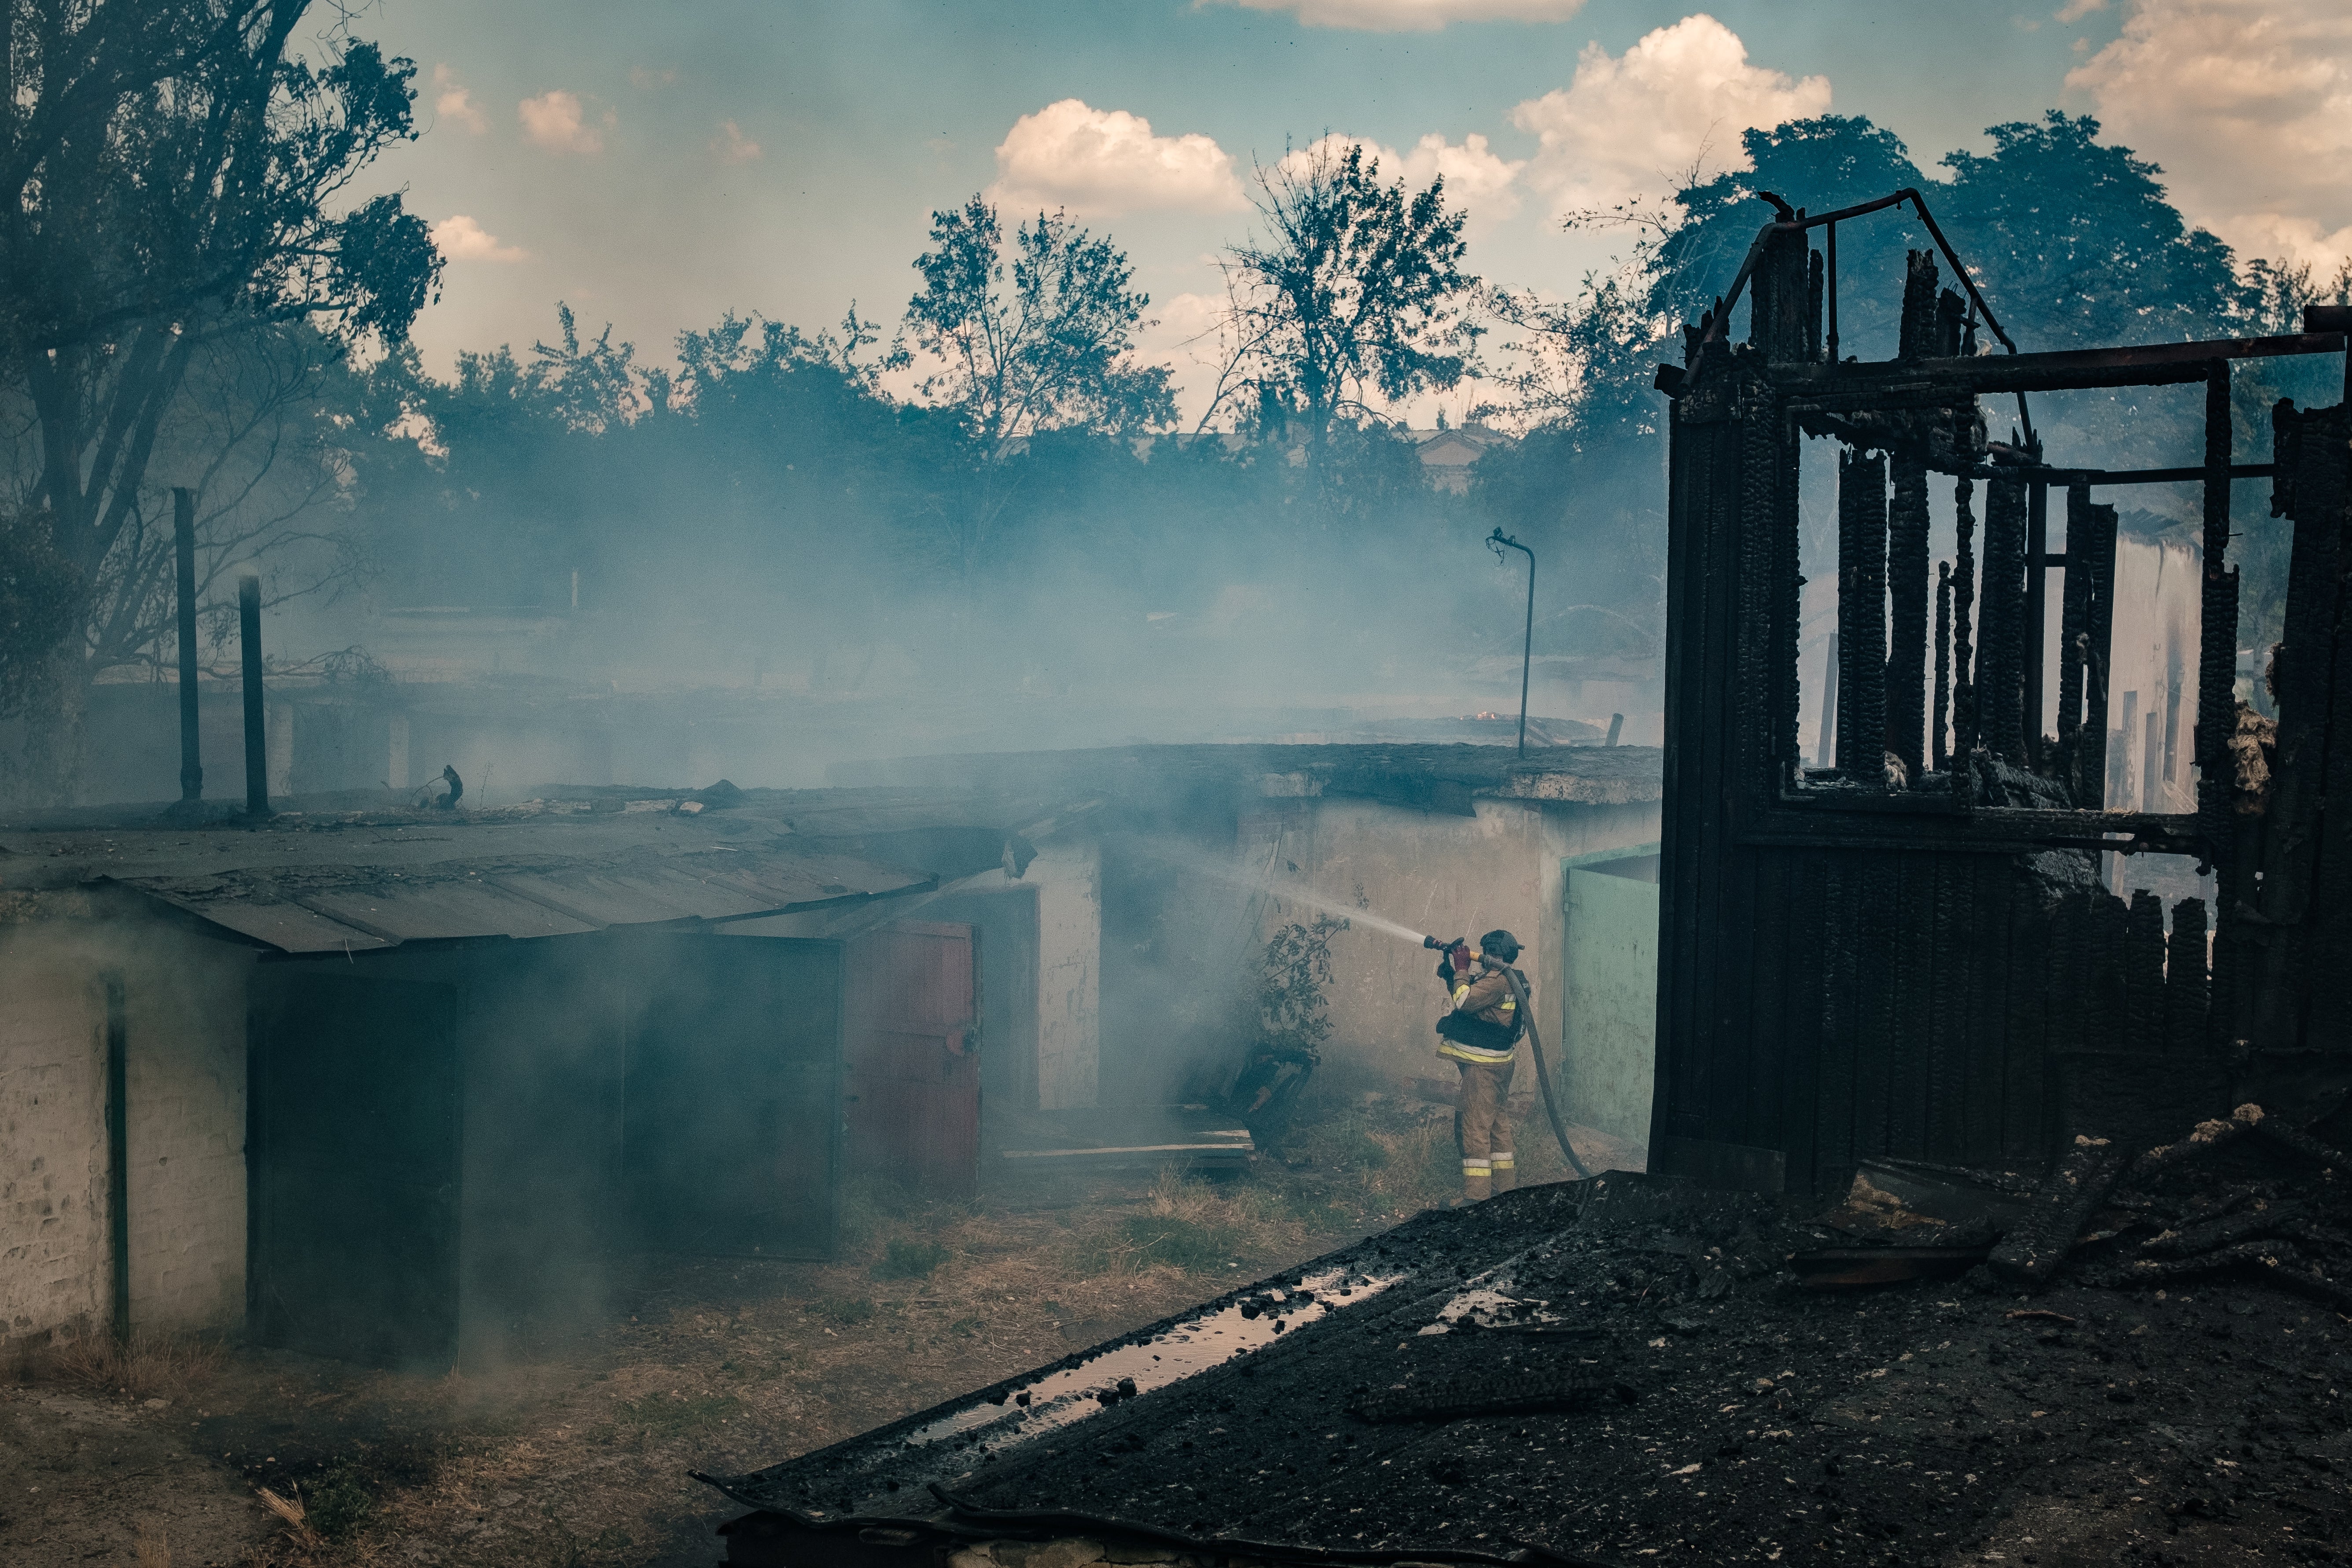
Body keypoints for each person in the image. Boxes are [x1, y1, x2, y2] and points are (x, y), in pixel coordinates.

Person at [1434, 929, 1527, 1201]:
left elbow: (1464, 1001)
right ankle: (1504, 1189)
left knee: (1475, 1127)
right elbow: (1474, 999)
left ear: (1493, 953)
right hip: (1499, 1063)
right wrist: (1453, 975)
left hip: (1483, 1066)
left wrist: (1462, 968)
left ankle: (1476, 1197)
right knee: (1497, 1124)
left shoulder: (1498, 982)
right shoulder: (1511, 979)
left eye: (1486, 952)